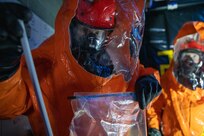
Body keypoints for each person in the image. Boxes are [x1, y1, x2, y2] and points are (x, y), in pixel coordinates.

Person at [0, 0, 161, 135]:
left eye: (103, 33)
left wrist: (148, 79)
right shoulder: (48, 62)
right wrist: (5, 69)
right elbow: (10, 104)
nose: (93, 40)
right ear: (71, 24)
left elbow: (139, 74)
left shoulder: (121, 60)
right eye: (85, 31)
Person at [147, 21, 204, 136]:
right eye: (186, 56)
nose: (189, 61)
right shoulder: (168, 82)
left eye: (194, 56)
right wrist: (154, 128)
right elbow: (153, 107)